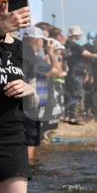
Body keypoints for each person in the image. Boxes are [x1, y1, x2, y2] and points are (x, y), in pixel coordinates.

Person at [0, 0, 34, 193]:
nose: (3, 8)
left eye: (9, 3)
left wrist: (30, 88)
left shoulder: (23, 50)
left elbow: (43, 92)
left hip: (10, 138)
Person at [21, 26, 65, 162]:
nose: (43, 44)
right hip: (30, 107)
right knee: (31, 142)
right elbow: (57, 72)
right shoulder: (34, 58)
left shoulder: (20, 53)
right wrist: (52, 53)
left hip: (25, 103)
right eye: (42, 41)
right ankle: (30, 168)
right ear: (36, 41)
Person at [63, 25, 97, 124]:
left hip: (69, 72)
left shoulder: (66, 45)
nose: (81, 35)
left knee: (69, 94)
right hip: (76, 73)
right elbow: (88, 55)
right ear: (76, 34)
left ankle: (67, 116)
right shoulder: (76, 46)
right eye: (79, 34)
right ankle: (73, 117)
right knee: (76, 94)